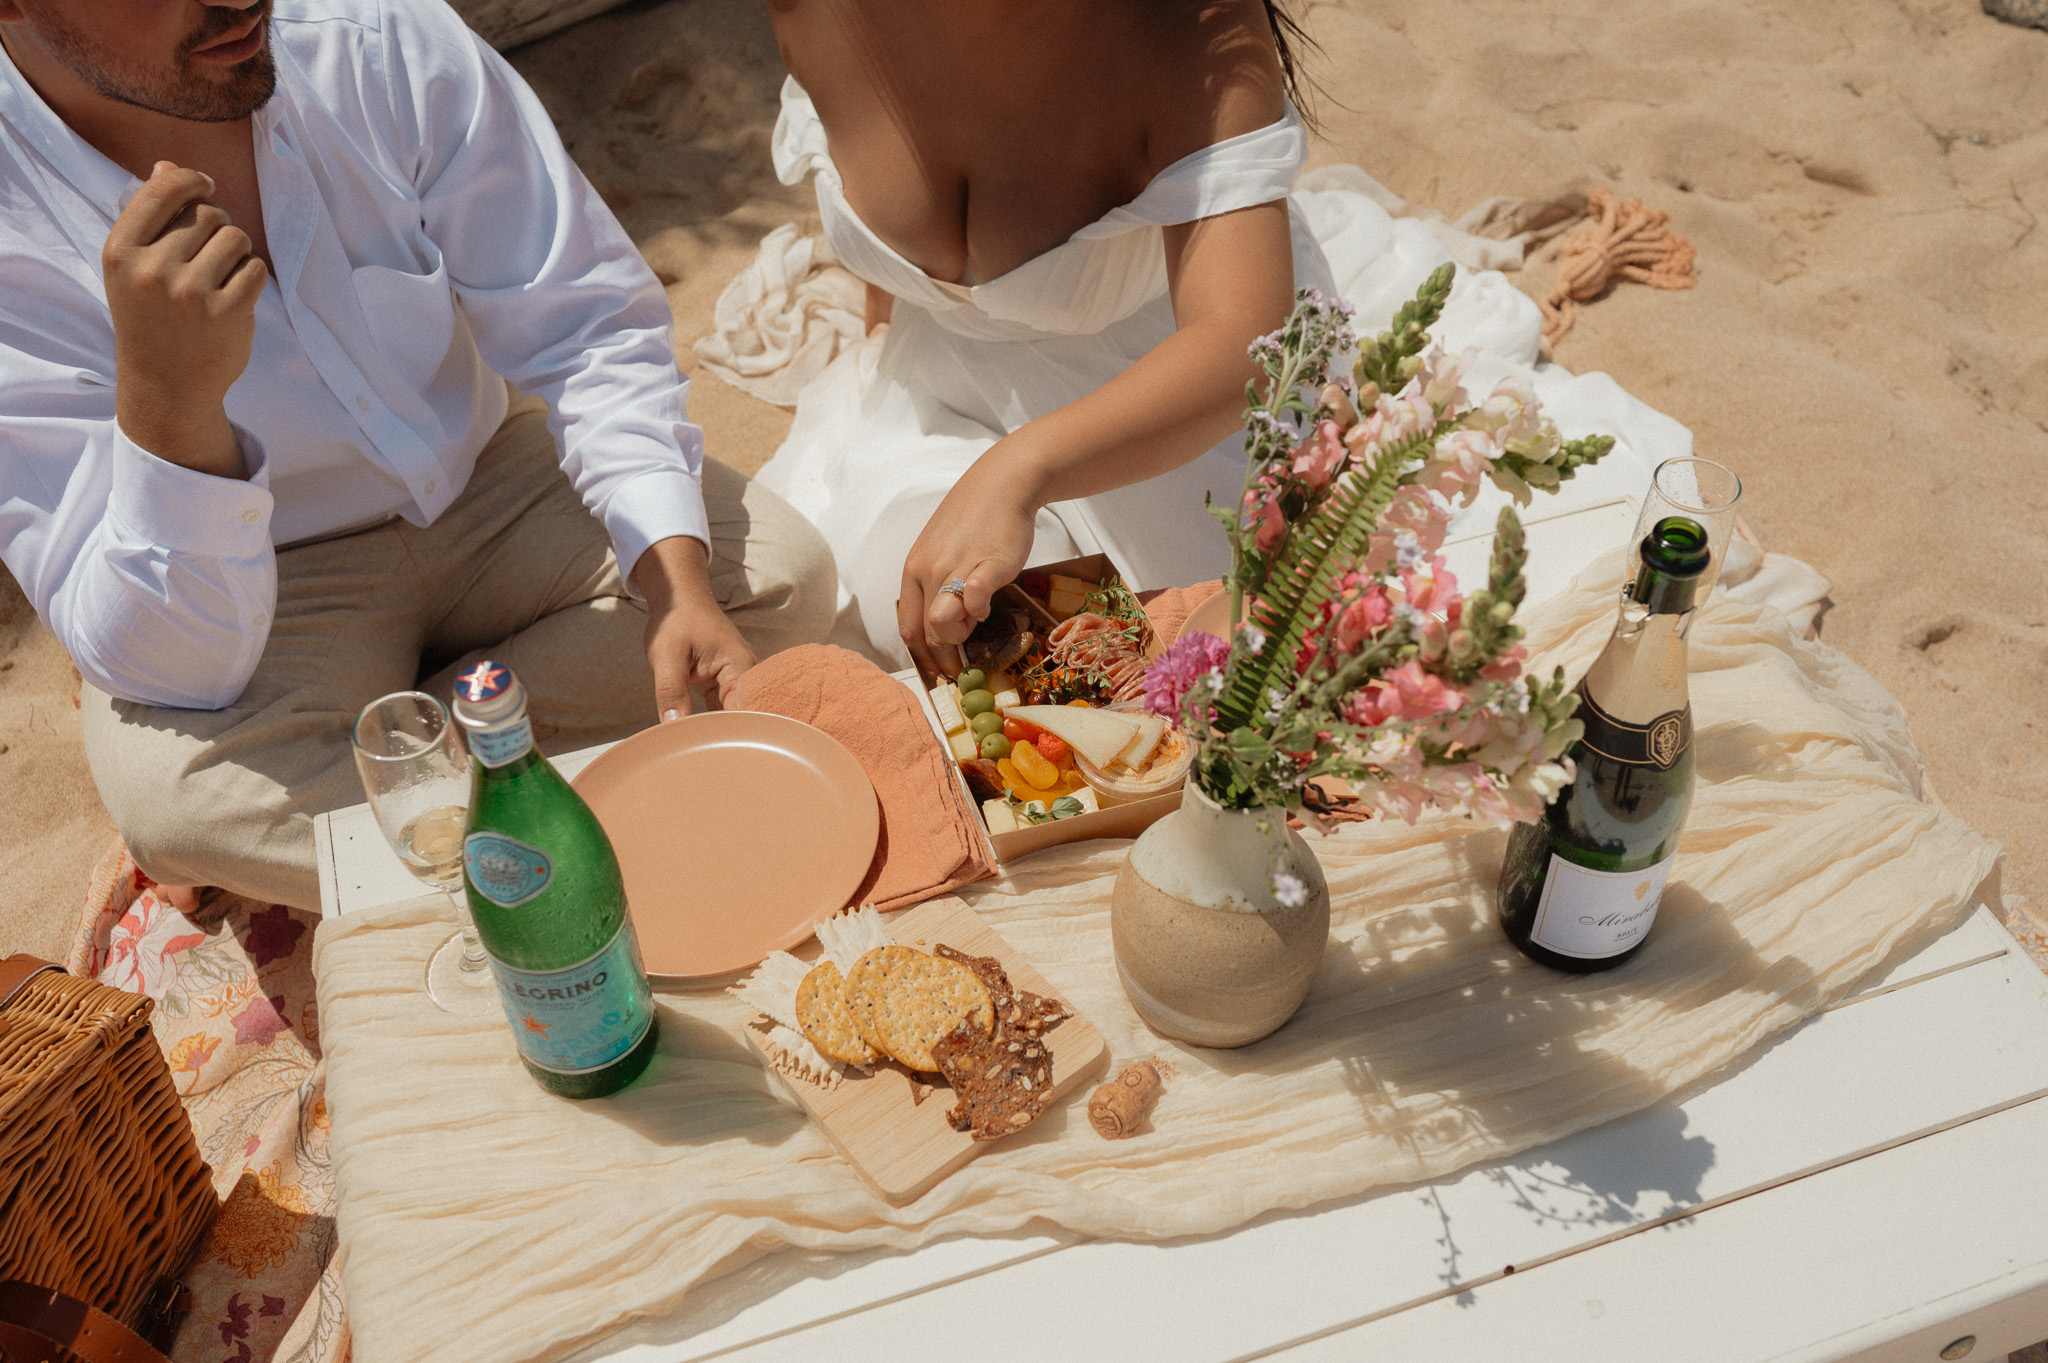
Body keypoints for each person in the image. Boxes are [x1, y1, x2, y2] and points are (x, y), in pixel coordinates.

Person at [0, 0, 837, 909]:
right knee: (184, 811)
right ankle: (509, 781)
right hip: (269, 581)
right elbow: (163, 658)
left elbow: (581, 320)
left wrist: (674, 583)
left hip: (490, 478)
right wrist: (170, 410)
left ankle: (402, 772)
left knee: (781, 581)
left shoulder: (369, 31)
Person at [749, 0, 1683, 674]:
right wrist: (882, 365)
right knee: (924, 615)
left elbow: (1241, 339)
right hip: (941, 388)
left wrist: (1018, 470)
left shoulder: (1188, 32)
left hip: (1170, 400)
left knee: (1131, 666)